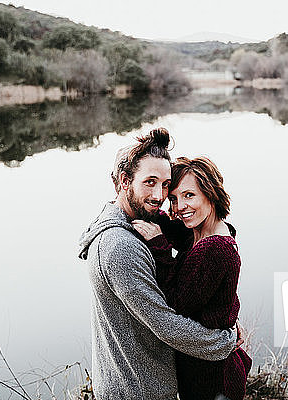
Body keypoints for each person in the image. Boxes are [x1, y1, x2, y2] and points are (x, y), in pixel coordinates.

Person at [78, 128, 242, 400]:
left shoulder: (143, 221)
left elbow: (212, 270)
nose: (160, 196)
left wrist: (228, 312)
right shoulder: (121, 245)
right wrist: (225, 340)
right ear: (124, 181)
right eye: (150, 182)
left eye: (166, 185)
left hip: (144, 381)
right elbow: (166, 320)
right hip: (137, 389)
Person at [132, 156, 252, 400]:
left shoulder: (215, 248)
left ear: (211, 193)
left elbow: (175, 303)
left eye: (189, 195)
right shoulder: (202, 232)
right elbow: (180, 236)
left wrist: (160, 248)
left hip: (212, 380)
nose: (179, 207)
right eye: (174, 199)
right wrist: (146, 206)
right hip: (205, 367)